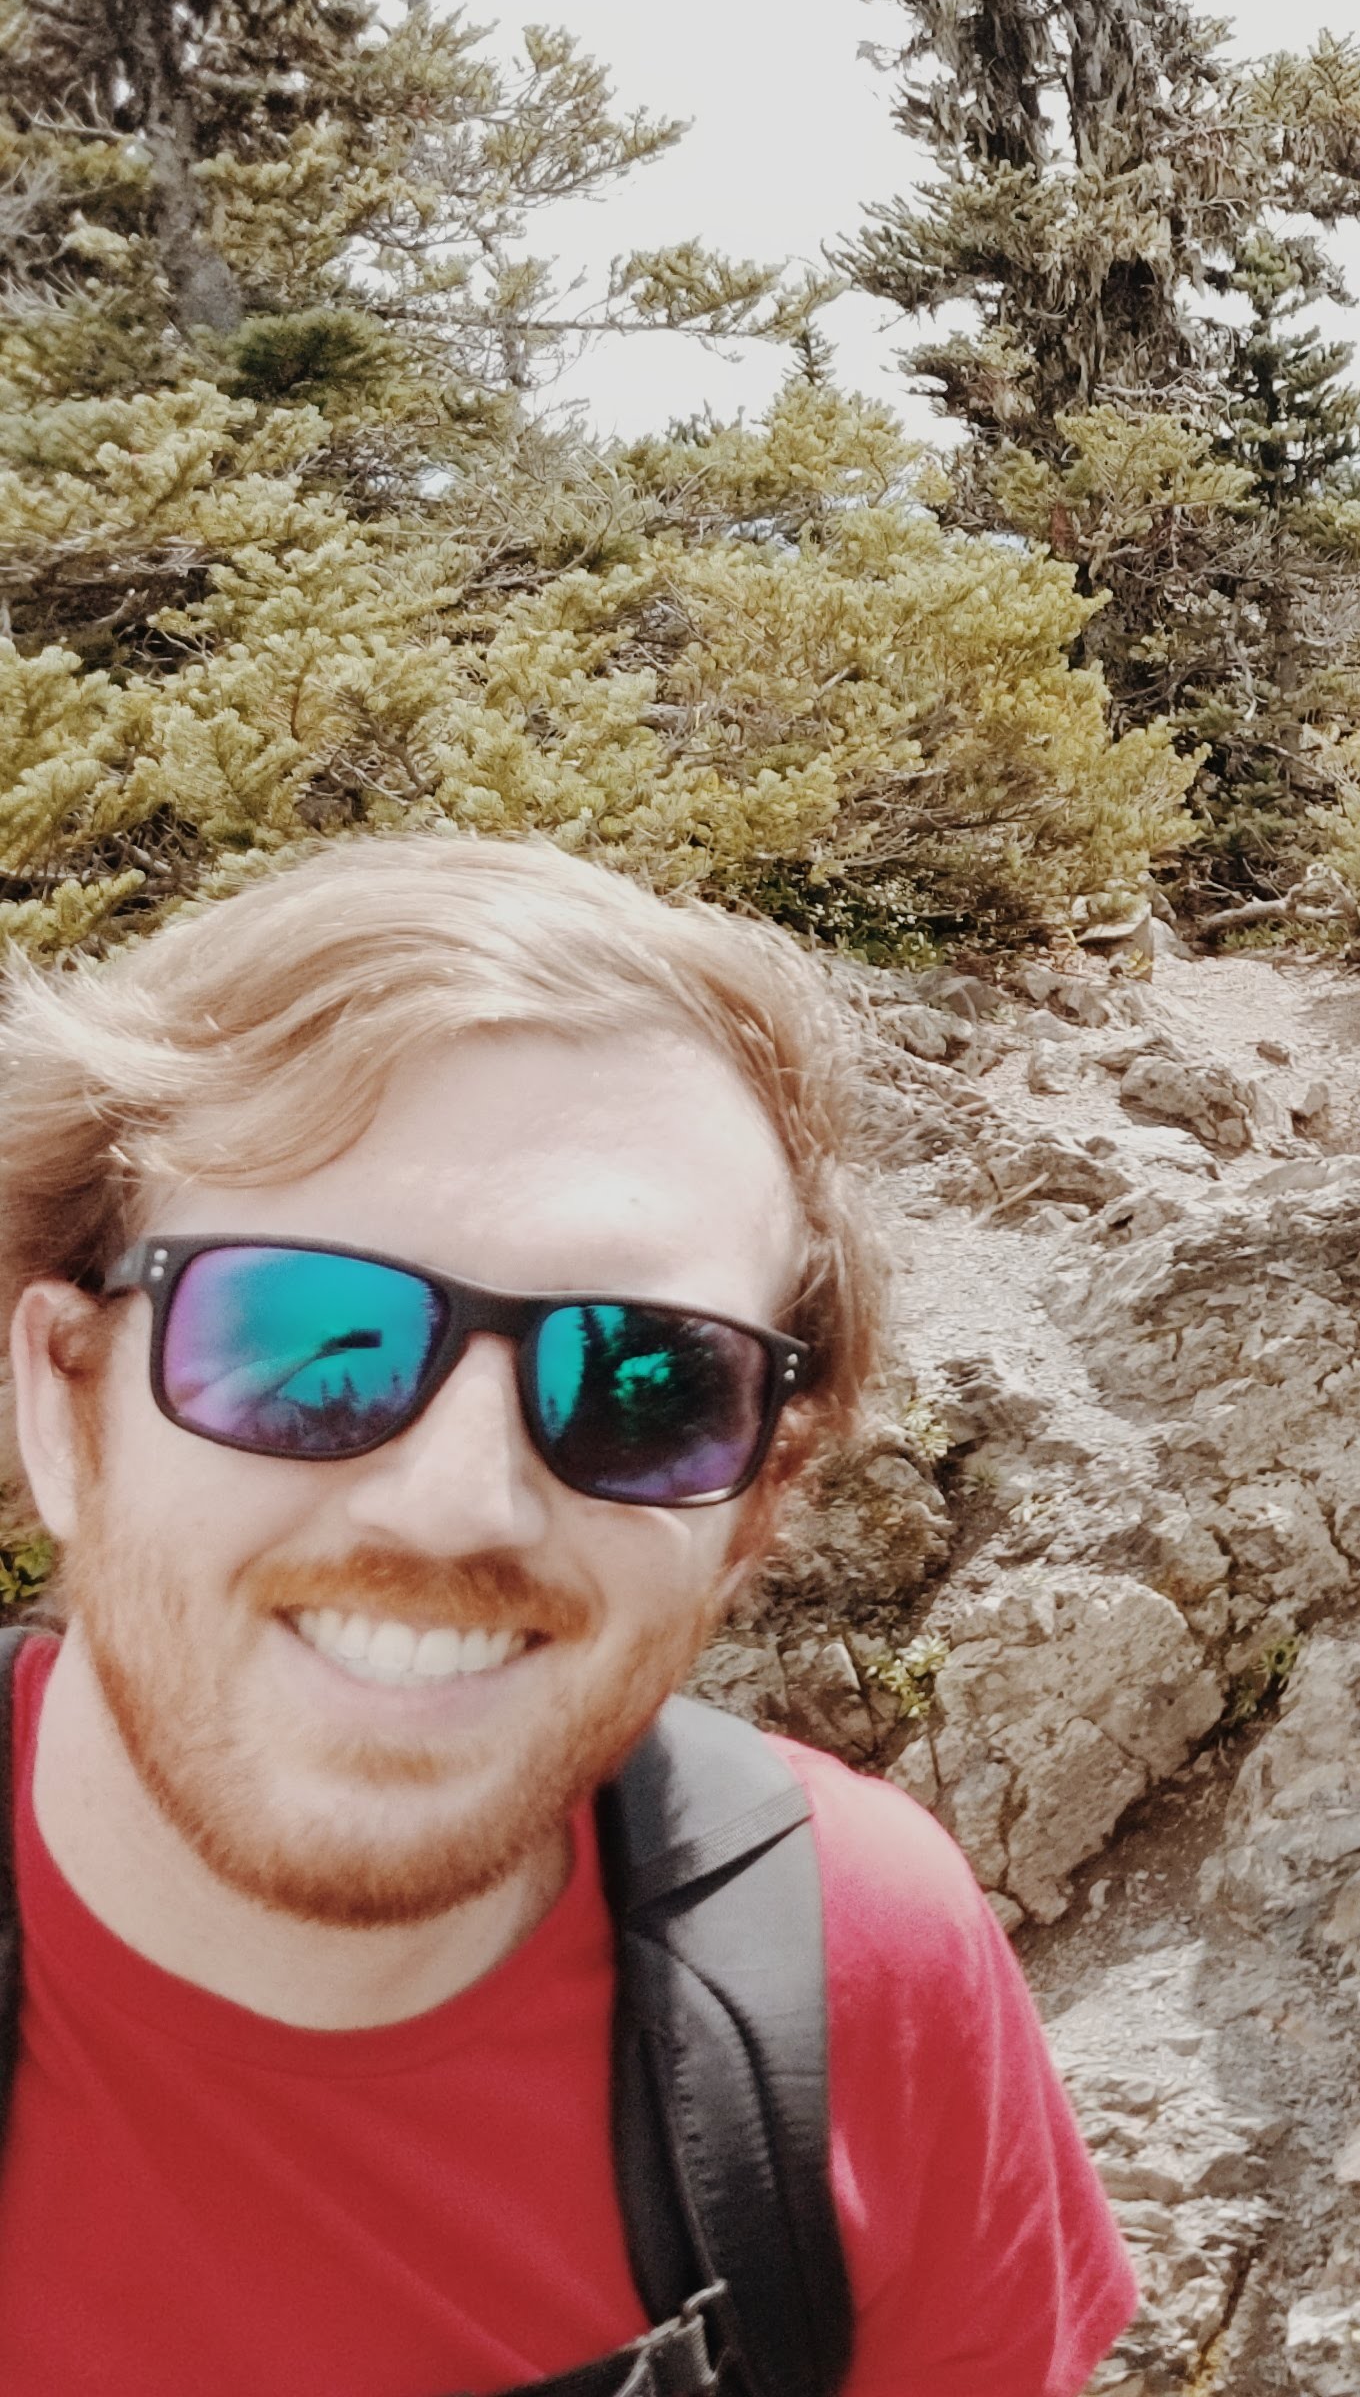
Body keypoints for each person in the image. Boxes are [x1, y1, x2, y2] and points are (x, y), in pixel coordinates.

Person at [0, 837, 1136, 2394]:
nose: (458, 1503)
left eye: (642, 1383)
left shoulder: (860, 1971)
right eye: (307, 1333)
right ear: (65, 1403)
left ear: (755, 1509)